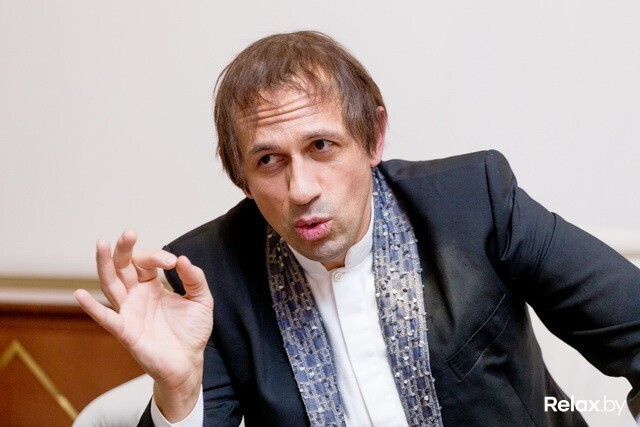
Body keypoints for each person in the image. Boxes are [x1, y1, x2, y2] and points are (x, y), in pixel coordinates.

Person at [75, 31, 640, 426]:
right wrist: (177, 389)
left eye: (321, 146)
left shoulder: (474, 201)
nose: (301, 189)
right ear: (240, 177)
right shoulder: (208, 274)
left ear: (373, 138)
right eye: (268, 160)